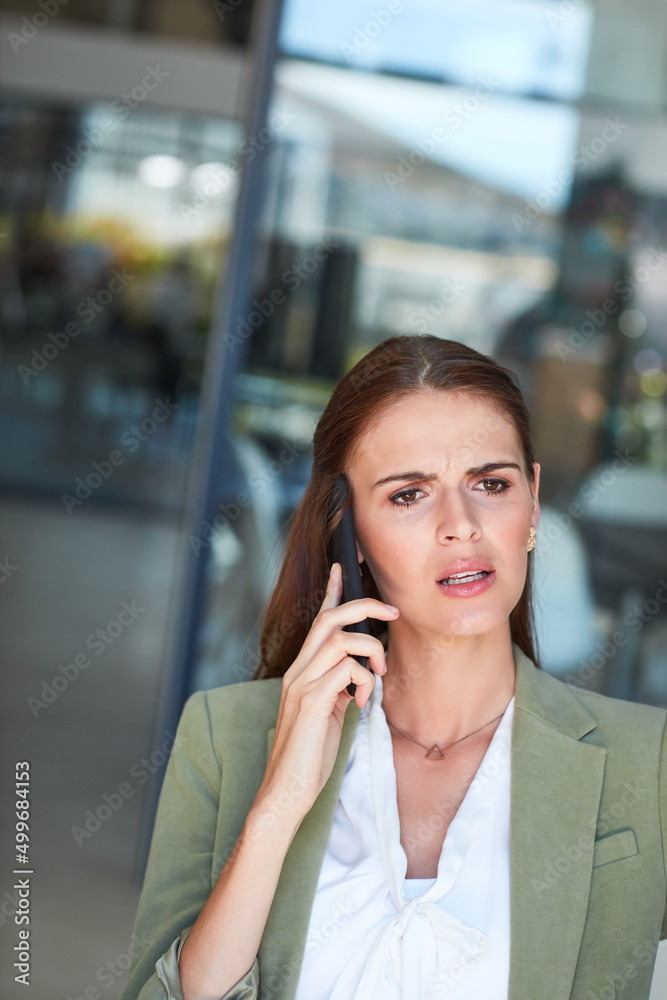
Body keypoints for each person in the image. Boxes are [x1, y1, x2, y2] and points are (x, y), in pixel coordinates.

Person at [119, 334, 667, 1000]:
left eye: (490, 484)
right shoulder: (223, 736)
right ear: (348, 533)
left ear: (530, 508)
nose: (460, 525)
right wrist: (278, 808)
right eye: (409, 495)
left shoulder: (649, 762)